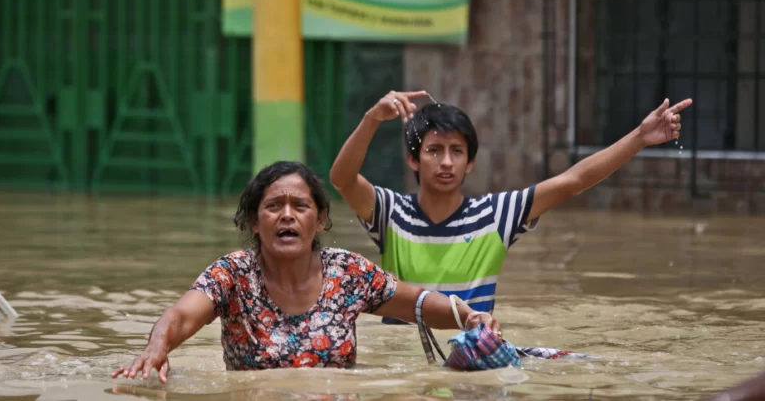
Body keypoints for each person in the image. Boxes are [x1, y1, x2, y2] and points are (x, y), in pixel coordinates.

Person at [111, 161, 501, 383]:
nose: (287, 215)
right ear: (253, 221)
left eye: (300, 206)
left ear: (321, 219)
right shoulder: (233, 274)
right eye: (273, 206)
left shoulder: (347, 272)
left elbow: (413, 300)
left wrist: (467, 315)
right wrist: (156, 347)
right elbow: (180, 315)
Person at [329, 91, 692, 322]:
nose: (446, 162)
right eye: (434, 150)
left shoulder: (496, 215)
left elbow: (573, 181)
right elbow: (342, 180)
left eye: (457, 152)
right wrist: (372, 119)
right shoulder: (391, 212)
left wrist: (640, 137)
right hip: (401, 363)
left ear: (470, 163)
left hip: (474, 354)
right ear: (413, 160)